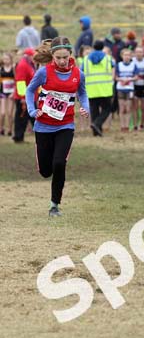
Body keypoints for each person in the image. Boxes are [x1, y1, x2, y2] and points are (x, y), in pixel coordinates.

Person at [26, 37, 89, 217]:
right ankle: (49, 168)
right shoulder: (43, 73)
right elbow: (30, 90)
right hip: (43, 126)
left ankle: (54, 204)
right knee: (46, 171)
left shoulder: (78, 74)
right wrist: (32, 110)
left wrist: (85, 107)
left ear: (71, 55)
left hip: (65, 126)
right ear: (52, 55)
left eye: (65, 57)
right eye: (59, 57)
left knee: (59, 163)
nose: (62, 61)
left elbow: (82, 93)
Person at [82, 41, 115, 137]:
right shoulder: (108, 59)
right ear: (102, 47)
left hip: (91, 89)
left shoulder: (86, 59)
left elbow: (82, 71)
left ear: (93, 47)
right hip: (105, 89)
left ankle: (96, 133)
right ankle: (97, 124)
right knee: (107, 109)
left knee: (94, 110)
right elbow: (113, 67)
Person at [12, 48, 37, 143]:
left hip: (30, 97)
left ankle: (19, 137)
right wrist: (23, 97)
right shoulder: (23, 65)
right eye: (33, 56)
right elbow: (20, 82)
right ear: (28, 56)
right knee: (22, 117)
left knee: (29, 117)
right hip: (24, 98)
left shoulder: (30, 64)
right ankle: (18, 137)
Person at [115, 49, 137, 131]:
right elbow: (115, 77)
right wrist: (121, 80)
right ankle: (122, 126)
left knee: (128, 108)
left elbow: (136, 77)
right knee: (122, 108)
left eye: (128, 55)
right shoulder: (119, 65)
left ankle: (127, 126)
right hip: (120, 88)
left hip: (130, 89)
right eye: (125, 55)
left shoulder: (133, 65)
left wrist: (129, 80)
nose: (127, 57)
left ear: (131, 56)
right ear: (122, 56)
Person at [133, 46, 144, 130]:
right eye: (137, 52)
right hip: (135, 86)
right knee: (135, 107)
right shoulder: (132, 60)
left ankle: (142, 124)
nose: (138, 54)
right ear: (134, 53)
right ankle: (135, 125)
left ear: (143, 53)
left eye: (140, 52)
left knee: (143, 107)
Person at [0, 53, 15, 135]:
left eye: (7, 59)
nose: (6, 61)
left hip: (11, 93)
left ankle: (10, 130)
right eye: (4, 59)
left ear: (11, 59)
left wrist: (14, 92)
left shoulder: (13, 68)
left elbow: (17, 80)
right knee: (2, 113)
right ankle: (1, 129)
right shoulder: (1, 69)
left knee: (10, 113)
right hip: (3, 93)